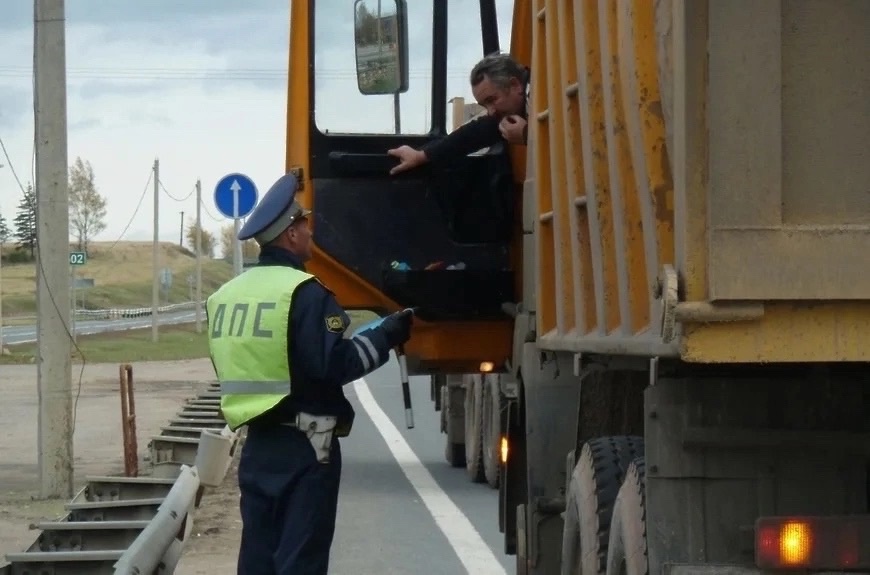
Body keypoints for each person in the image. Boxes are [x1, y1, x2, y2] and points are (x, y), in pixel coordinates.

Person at [205, 172, 414, 575]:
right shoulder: (305, 292)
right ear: (290, 235)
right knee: (301, 559)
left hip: (257, 446)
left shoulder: (225, 297)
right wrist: (387, 335)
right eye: (302, 222)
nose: (308, 228)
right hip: (307, 445)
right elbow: (337, 364)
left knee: (258, 561)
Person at [387, 52, 530, 175]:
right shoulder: (505, 115)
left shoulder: (542, 94)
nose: (491, 111)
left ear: (515, 85)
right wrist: (421, 156)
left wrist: (527, 134)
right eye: (485, 105)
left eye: (492, 100)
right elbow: (471, 135)